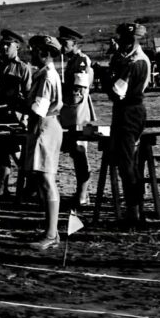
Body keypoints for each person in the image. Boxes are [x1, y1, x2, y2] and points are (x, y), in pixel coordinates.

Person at [106, 22, 152, 227]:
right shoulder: (129, 59)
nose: (124, 45)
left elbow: (116, 91)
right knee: (124, 162)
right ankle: (133, 210)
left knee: (127, 163)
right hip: (125, 111)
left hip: (130, 111)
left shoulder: (136, 62)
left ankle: (134, 213)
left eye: (128, 41)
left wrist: (105, 75)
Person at [23, 35, 64, 250]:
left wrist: (15, 102)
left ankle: (51, 234)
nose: (30, 54)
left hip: (45, 126)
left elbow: (38, 108)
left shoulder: (47, 76)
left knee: (47, 179)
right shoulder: (44, 74)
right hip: (43, 126)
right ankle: (51, 231)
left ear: (42, 52)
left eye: (33, 50)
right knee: (42, 178)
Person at [0, 29, 33, 197]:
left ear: (17, 47)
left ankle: (29, 184)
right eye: (2, 44)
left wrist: (25, 118)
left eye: (8, 44)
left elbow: (28, 97)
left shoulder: (23, 68)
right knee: (1, 155)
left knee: (18, 155)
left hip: (15, 118)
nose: (4, 47)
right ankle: (4, 189)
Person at [57, 26, 96, 212]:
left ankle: (83, 194)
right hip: (71, 113)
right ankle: (81, 193)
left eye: (65, 43)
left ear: (75, 43)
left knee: (80, 152)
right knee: (75, 152)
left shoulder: (81, 61)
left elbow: (77, 92)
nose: (62, 46)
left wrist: (61, 92)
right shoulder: (72, 60)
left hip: (78, 113)